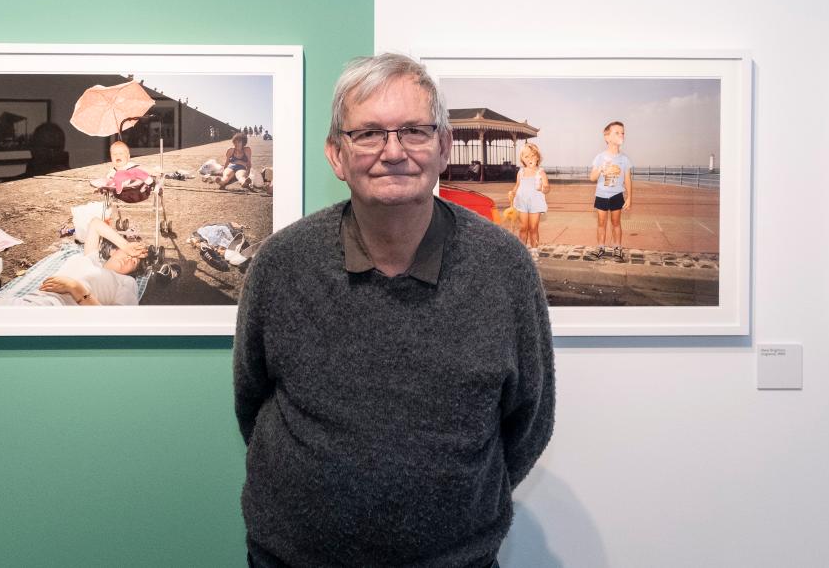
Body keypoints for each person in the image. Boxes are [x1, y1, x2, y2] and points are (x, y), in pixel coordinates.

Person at [233, 53, 555, 568]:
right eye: (368, 134)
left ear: (444, 146)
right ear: (336, 155)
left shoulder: (503, 267)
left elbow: (529, 422)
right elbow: (252, 401)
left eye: (414, 131)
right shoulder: (281, 264)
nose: (394, 151)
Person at [0, 218, 146, 306]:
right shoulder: (90, 259)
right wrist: (126, 245)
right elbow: (95, 224)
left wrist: (76, 288)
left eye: (134, 262)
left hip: (56, 314)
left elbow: (115, 324)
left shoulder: (125, 282)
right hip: (26, 302)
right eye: (129, 254)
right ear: (114, 250)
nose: (129, 258)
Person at [586, 121, 633, 262]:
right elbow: (592, 178)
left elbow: (628, 179)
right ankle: (600, 247)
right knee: (601, 223)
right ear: (607, 137)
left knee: (616, 222)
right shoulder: (600, 157)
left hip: (617, 195)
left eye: (623, 132)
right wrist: (600, 168)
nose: (621, 135)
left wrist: (629, 197)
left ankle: (617, 248)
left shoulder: (624, 159)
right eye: (617, 132)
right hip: (601, 195)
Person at [509, 142, 550, 257]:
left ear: (537, 157)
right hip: (522, 202)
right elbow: (517, 186)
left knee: (533, 228)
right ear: (522, 158)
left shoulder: (540, 172)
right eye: (526, 156)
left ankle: (534, 250)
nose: (530, 159)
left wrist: (543, 187)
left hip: (535, 203)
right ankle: (522, 251)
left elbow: (547, 188)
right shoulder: (521, 172)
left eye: (533, 155)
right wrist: (513, 192)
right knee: (523, 228)